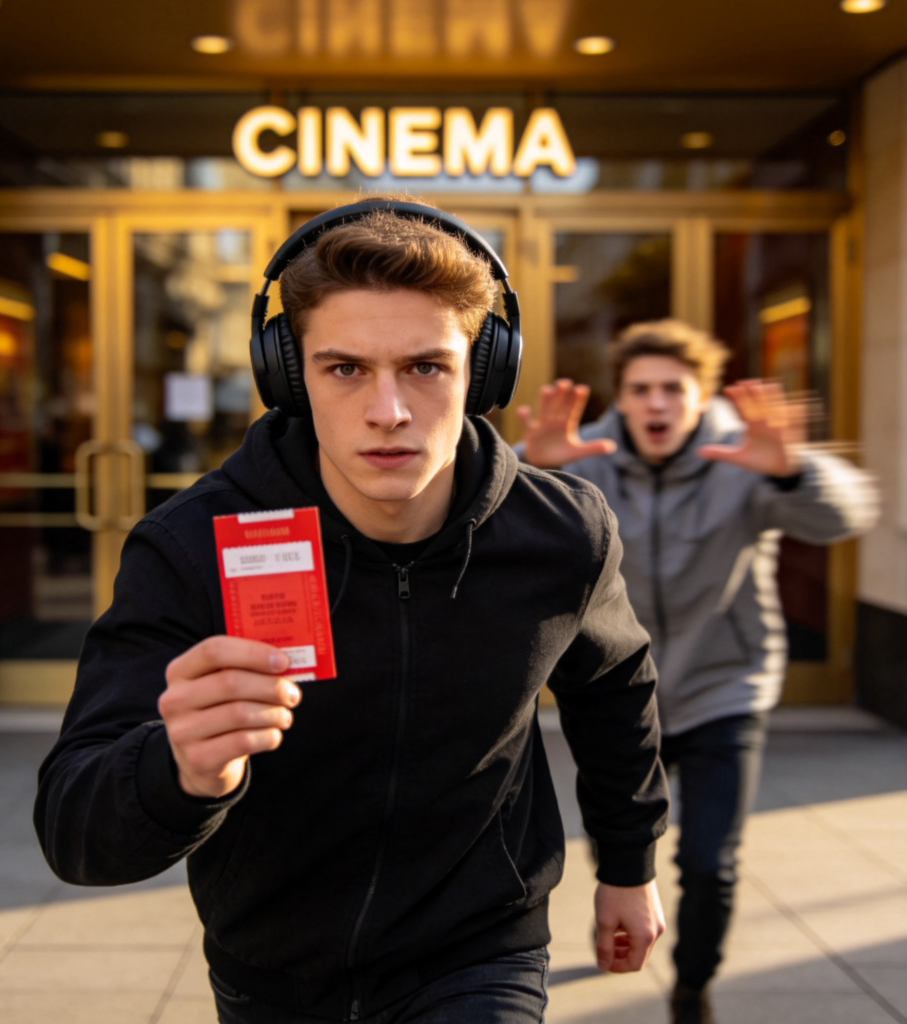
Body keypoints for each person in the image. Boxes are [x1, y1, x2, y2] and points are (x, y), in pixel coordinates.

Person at [34, 197, 669, 1024]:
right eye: (344, 370)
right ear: (288, 377)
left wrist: (629, 864)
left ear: (484, 371)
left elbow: (616, 690)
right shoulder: (192, 545)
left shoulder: (561, 534)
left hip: (480, 948)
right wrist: (181, 770)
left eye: (425, 367)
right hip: (273, 964)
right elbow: (73, 831)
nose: (389, 412)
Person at [516, 318, 879, 1024]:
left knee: (711, 861)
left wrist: (792, 470)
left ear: (699, 397)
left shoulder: (743, 459)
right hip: (620, 697)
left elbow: (847, 514)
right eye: (641, 390)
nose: (656, 405)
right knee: (622, 841)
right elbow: (486, 512)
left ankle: (692, 986)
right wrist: (536, 472)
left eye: (673, 390)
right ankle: (625, 912)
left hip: (723, 689)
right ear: (621, 398)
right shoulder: (584, 458)